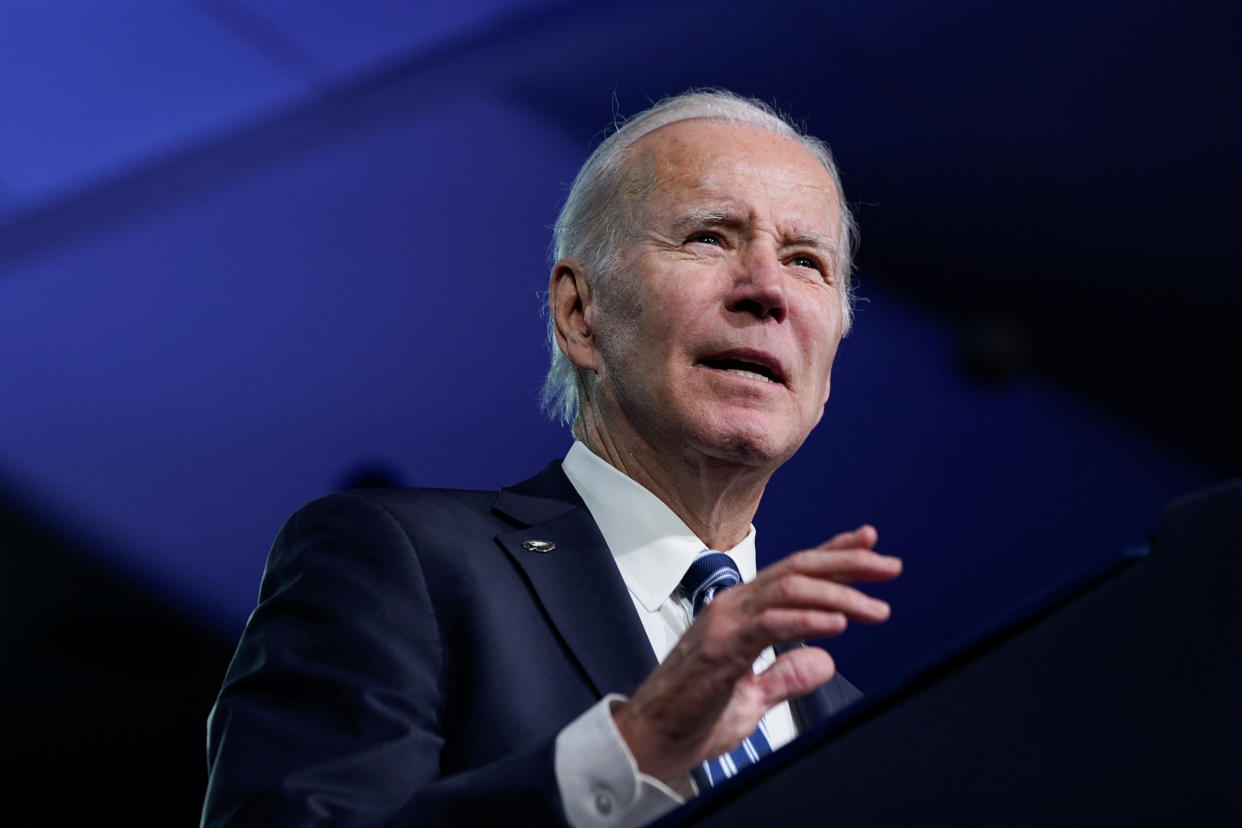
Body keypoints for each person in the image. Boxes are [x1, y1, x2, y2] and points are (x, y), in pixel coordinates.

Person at [202, 89, 902, 827]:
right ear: (579, 314)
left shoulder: (859, 726)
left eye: (805, 261)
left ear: (826, 372)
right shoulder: (404, 563)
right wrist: (626, 756)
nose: (767, 291)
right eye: (709, 237)